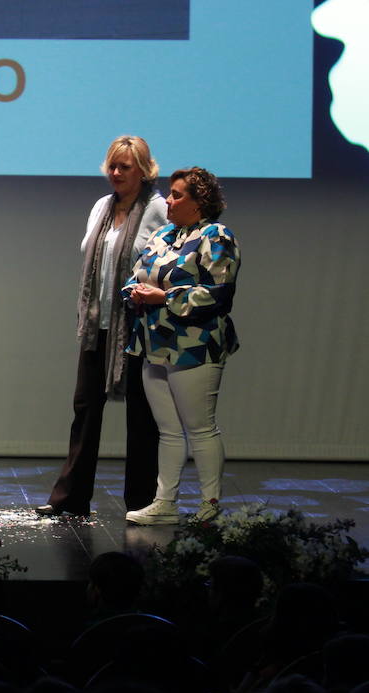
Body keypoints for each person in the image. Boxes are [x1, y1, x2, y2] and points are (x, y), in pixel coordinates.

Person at [36, 135, 166, 517]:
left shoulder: (157, 209)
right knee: (85, 410)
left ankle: (141, 501)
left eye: (125, 167)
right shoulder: (101, 208)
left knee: (141, 419)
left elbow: (162, 263)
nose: (116, 173)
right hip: (98, 325)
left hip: (138, 326)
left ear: (143, 170)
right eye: (112, 165)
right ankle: (71, 498)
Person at [123, 167, 240, 524]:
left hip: (195, 346)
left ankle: (210, 504)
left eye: (177, 195)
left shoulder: (216, 236)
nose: (169, 201)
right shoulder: (163, 234)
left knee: (200, 427)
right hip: (153, 343)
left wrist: (164, 297)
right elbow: (136, 274)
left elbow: (216, 294)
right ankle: (165, 502)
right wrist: (134, 292)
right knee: (169, 430)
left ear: (200, 201)